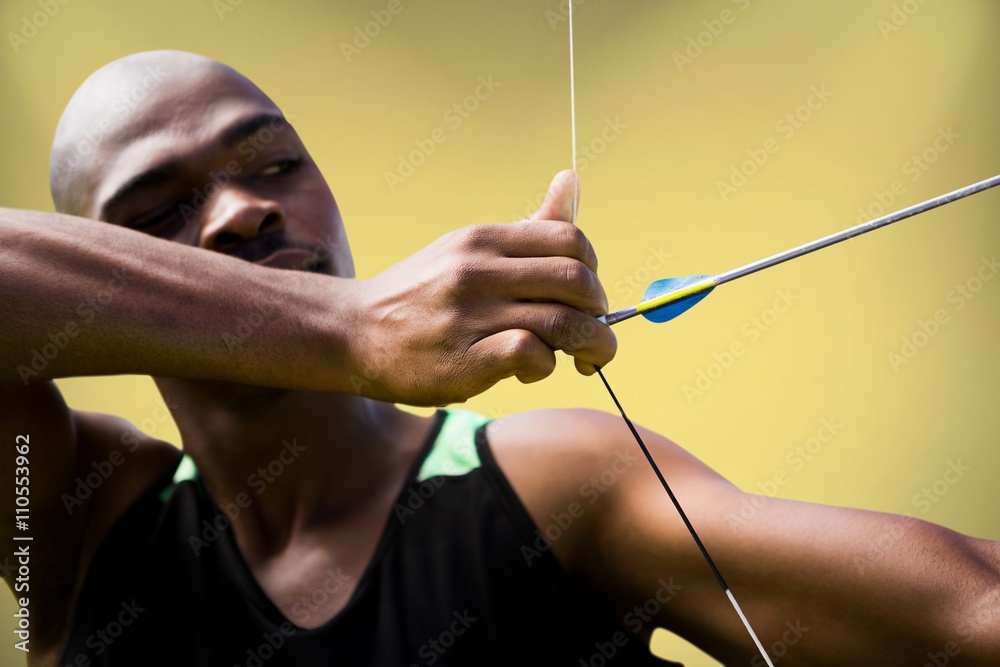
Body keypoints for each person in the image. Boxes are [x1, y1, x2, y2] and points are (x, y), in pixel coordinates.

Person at [1, 50, 997, 667]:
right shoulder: (75, 521)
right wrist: (348, 326)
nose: (244, 208)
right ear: (101, 262)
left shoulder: (548, 482)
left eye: (273, 165)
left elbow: (968, 613)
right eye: (158, 210)